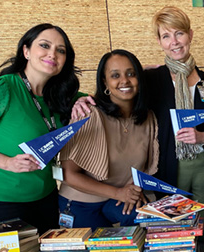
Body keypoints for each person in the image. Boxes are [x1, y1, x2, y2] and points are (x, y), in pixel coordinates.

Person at [0, 24, 80, 233]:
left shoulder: (63, 97)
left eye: (61, 50)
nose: (52, 53)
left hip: (46, 195)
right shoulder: (0, 89)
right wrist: (7, 163)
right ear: (26, 51)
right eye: (44, 45)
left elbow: (110, 94)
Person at [59, 50, 159, 230]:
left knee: (145, 228)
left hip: (119, 200)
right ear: (105, 82)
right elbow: (68, 174)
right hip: (81, 202)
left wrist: (134, 190)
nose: (125, 81)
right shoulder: (87, 114)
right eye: (115, 75)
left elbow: (144, 166)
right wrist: (119, 193)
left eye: (131, 74)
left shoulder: (148, 117)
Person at [146, 6, 204, 203]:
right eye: (166, 36)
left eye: (179, 33)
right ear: (159, 42)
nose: (174, 42)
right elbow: (119, 91)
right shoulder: (152, 80)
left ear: (190, 35)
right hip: (168, 168)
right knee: (176, 227)